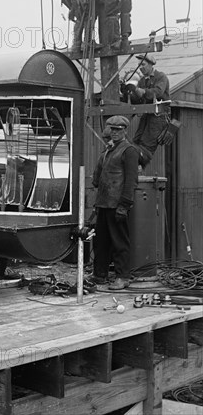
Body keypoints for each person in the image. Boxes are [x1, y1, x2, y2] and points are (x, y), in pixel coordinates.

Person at [92, 115, 138, 290]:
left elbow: (131, 180)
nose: (115, 133)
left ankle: (123, 276)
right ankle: (100, 275)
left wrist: (124, 205)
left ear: (125, 131)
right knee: (101, 241)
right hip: (103, 203)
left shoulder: (129, 151)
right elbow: (97, 179)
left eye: (118, 130)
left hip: (117, 204)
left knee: (119, 242)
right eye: (112, 129)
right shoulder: (108, 150)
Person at [130, 53, 170, 168]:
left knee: (146, 146)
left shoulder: (161, 77)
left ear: (151, 65)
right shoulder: (142, 80)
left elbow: (158, 92)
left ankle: (138, 169)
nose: (140, 67)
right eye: (139, 65)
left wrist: (141, 91)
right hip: (147, 115)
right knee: (135, 142)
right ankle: (134, 169)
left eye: (143, 64)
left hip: (159, 117)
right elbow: (137, 100)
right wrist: (130, 91)